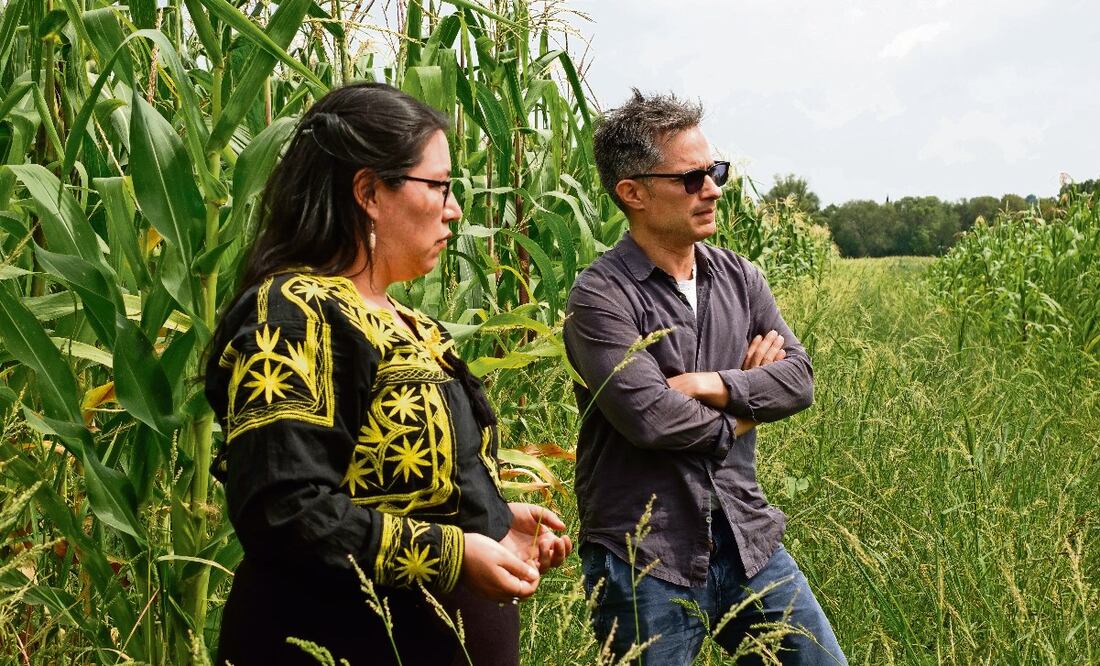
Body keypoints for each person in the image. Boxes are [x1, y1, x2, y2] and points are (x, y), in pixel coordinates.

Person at [204, 82, 572, 666]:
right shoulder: (297, 312)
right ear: (370, 191)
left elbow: (410, 482)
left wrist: (497, 523)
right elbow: (285, 509)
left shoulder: (412, 323)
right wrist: (452, 555)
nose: (454, 208)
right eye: (440, 186)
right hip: (337, 642)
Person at [563, 90, 847, 665]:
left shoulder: (741, 278)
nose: (714, 189)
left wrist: (710, 385)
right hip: (646, 557)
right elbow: (652, 420)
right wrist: (746, 407)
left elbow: (800, 379)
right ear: (633, 193)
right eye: (692, 178)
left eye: (715, 172)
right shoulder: (599, 298)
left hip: (748, 538)